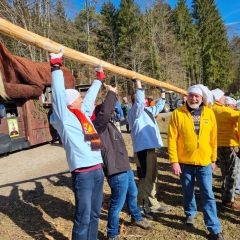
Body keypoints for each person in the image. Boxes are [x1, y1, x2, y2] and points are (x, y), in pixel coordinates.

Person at [49, 49, 105, 240]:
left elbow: (88, 99)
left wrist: (99, 79)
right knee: (83, 217)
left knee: (95, 214)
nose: (82, 99)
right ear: (71, 102)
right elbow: (57, 95)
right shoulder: (65, 119)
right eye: (78, 98)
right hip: (83, 174)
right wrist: (56, 65)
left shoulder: (83, 116)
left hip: (98, 170)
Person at [92, 84, 152, 240]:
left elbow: (110, 112)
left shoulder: (110, 125)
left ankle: (136, 217)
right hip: (115, 171)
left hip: (124, 168)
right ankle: (112, 233)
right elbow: (105, 113)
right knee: (117, 204)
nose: (113, 112)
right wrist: (111, 93)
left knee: (133, 194)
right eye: (111, 110)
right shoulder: (99, 126)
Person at [168, 85, 224, 240]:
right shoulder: (178, 114)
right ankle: (190, 214)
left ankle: (214, 228)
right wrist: (174, 161)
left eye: (196, 96)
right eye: (191, 95)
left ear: (202, 98)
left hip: (205, 163)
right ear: (187, 97)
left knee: (208, 195)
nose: (193, 98)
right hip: (185, 163)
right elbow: (172, 139)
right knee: (188, 192)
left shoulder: (209, 113)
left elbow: (213, 139)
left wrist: (213, 159)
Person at [127, 79, 170, 220]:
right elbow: (139, 102)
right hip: (142, 151)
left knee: (153, 178)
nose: (145, 101)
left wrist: (162, 92)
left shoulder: (148, 111)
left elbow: (159, 106)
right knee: (145, 179)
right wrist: (138, 84)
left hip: (151, 150)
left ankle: (153, 204)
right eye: (142, 98)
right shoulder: (134, 112)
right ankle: (142, 206)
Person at [211, 88, 240, 210]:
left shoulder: (211, 110)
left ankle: (227, 192)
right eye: (223, 96)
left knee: (225, 170)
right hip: (228, 145)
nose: (225, 98)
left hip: (217, 145)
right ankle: (228, 199)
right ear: (219, 98)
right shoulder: (223, 111)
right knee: (233, 172)